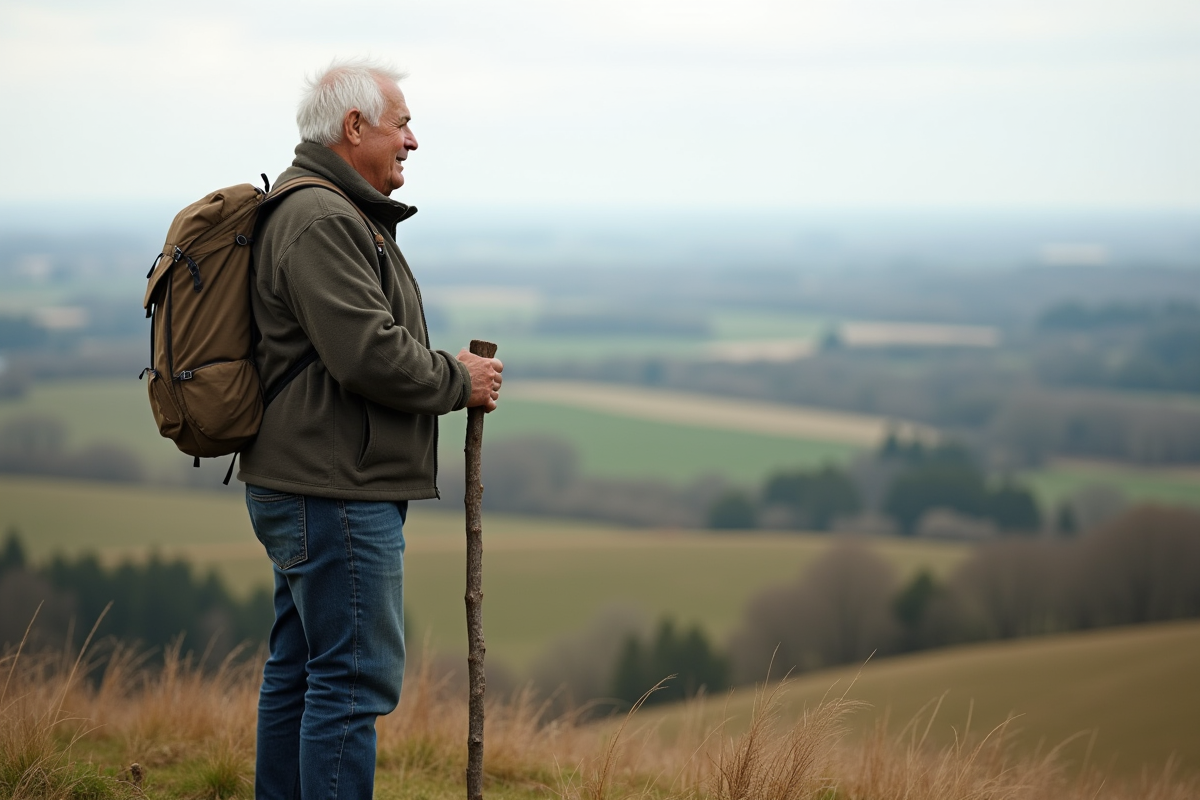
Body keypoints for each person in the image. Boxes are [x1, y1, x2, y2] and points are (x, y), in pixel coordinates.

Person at [238, 58, 503, 800]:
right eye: (402, 123)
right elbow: (367, 354)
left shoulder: (323, 209)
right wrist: (460, 381)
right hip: (335, 492)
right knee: (353, 683)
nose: (412, 141)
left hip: (312, 484)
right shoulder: (322, 217)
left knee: (302, 671)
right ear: (354, 128)